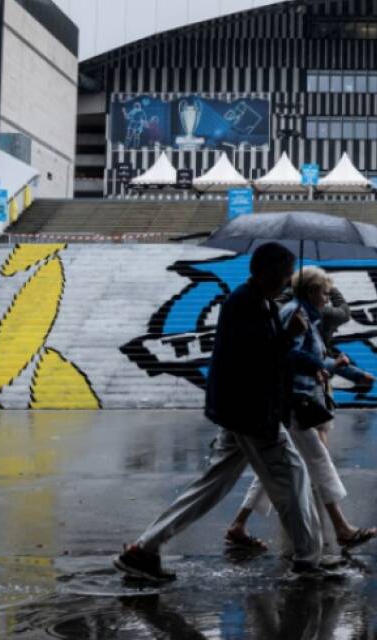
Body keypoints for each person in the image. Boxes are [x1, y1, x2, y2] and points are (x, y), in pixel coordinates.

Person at [115, 242, 329, 583]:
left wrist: (292, 344)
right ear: (267, 271)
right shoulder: (245, 304)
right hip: (251, 411)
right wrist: (289, 336)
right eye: (286, 273)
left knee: (211, 486)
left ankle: (144, 550)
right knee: (293, 477)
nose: (289, 281)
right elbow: (251, 359)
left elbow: (266, 354)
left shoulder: (258, 302)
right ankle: (307, 561)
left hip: (241, 411)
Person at [226, 267, 377, 553]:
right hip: (294, 402)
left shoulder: (306, 316)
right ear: (310, 292)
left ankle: (239, 524)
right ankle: (341, 529)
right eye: (324, 293)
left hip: (296, 400)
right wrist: (331, 368)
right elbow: (290, 355)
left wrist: (353, 373)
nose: (327, 299)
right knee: (318, 460)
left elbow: (317, 357)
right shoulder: (295, 315)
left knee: (274, 467)